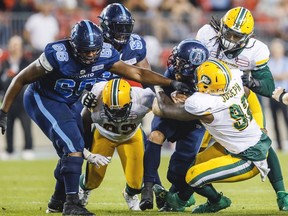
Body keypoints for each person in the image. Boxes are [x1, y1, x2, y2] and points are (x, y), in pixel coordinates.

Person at [0, 20, 189, 216]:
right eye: (86, 51)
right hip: (44, 98)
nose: (91, 55)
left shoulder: (106, 54)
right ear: (74, 46)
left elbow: (137, 72)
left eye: (94, 50)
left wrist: (171, 83)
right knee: (73, 147)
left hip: (69, 101)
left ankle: (57, 200)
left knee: (73, 149)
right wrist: (4, 111)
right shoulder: (57, 54)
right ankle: (71, 204)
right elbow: (20, 79)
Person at [196, 6, 288, 211]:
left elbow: (268, 86)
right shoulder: (206, 35)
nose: (229, 38)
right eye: (227, 31)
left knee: (261, 141)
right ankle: (185, 195)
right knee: (196, 149)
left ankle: (282, 194)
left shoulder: (256, 50)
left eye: (236, 35)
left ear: (248, 36)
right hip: (211, 100)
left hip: (241, 99)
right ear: (220, 27)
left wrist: (252, 83)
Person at [152, 59, 272, 213]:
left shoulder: (204, 103)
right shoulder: (234, 82)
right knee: (192, 165)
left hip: (249, 157)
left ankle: (216, 201)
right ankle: (180, 200)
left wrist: (159, 85)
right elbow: (249, 93)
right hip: (235, 145)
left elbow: (166, 110)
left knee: (194, 176)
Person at [140, 39, 210, 211]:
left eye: (180, 62)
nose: (174, 63)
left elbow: (200, 111)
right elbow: (162, 99)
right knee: (155, 136)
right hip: (172, 116)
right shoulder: (174, 70)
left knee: (177, 173)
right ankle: (147, 188)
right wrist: (166, 97)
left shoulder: (207, 80)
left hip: (194, 122)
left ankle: (209, 198)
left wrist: (188, 102)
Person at [79, 78, 155, 210]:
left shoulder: (143, 98)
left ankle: (129, 195)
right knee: (93, 180)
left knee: (136, 184)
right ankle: (84, 188)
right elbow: (84, 119)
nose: (116, 115)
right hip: (103, 136)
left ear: (131, 99)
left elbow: (162, 104)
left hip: (131, 137)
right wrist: (86, 144)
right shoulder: (97, 96)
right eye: (112, 110)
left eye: (120, 110)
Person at [97, 3, 151, 87]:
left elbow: (147, 77)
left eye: (127, 27)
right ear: (105, 26)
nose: (123, 33)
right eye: (119, 28)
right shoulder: (93, 45)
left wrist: (156, 94)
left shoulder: (134, 45)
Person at [0, 35, 34, 160]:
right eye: (12, 44)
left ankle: (28, 149)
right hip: (8, 102)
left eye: (16, 44)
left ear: (21, 47)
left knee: (26, 126)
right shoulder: (4, 64)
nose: (14, 47)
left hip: (23, 101)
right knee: (7, 127)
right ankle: (9, 150)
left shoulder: (27, 63)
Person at [268, 38, 288, 150]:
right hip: (274, 94)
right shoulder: (269, 62)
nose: (276, 51)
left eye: (278, 48)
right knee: (275, 119)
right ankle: (280, 145)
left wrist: (278, 75)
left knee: (286, 118)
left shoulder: (286, 61)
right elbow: (270, 77)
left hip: (285, 93)